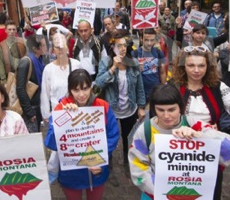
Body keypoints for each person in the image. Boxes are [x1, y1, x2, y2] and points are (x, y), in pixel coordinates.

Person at [171, 46, 230, 199]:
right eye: (191, 65)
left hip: (209, 153)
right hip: (179, 154)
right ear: (183, 66)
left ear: (208, 66)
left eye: (201, 65)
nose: (196, 70)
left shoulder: (218, 87)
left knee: (210, 193)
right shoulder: (173, 87)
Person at [128, 84, 230, 200]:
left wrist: (201, 136)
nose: (166, 116)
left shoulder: (194, 124)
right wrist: (163, 192)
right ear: (154, 109)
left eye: (172, 110)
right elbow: (138, 169)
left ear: (180, 107)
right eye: (160, 110)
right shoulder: (145, 131)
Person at [44, 69, 119, 200]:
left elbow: (113, 136)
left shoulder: (103, 107)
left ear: (91, 87)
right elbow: (51, 142)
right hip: (71, 174)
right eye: (76, 90)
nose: (82, 94)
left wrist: (99, 160)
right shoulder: (61, 109)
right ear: (70, 90)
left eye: (85, 88)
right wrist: (63, 119)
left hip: (97, 170)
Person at [95, 31, 146, 163]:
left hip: (130, 108)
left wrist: (141, 107)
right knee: (110, 137)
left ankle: (128, 161)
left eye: (124, 45)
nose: (122, 49)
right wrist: (113, 68)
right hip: (111, 109)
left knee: (128, 137)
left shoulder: (133, 62)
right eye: (119, 46)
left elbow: (139, 87)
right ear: (112, 47)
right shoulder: (106, 62)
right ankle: (108, 162)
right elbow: (99, 83)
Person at [41, 33, 81, 121]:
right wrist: (46, 114)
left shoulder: (76, 65)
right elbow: (45, 93)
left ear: (67, 47)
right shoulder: (48, 69)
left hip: (76, 111)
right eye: (57, 47)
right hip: (57, 114)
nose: (60, 50)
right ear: (53, 50)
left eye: (62, 46)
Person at [17, 33, 49, 133]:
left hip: (38, 105)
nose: (46, 47)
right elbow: (20, 88)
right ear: (35, 48)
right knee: (32, 136)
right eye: (43, 46)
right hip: (30, 108)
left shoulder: (41, 60)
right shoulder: (26, 62)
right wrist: (29, 112)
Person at [131, 28, 166, 99]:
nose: (149, 43)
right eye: (146, 40)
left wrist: (164, 88)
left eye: (152, 40)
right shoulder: (134, 54)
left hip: (155, 91)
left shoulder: (159, 53)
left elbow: (162, 72)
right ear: (141, 39)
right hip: (139, 92)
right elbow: (130, 75)